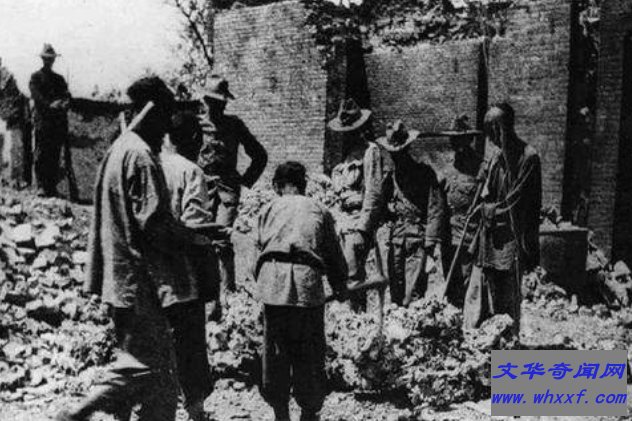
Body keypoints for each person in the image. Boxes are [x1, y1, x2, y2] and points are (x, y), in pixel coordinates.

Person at [56, 77, 211, 421]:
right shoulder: (140, 156)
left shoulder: (118, 149)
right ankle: (78, 413)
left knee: (155, 382)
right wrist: (194, 238)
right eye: (165, 118)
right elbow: (154, 225)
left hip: (120, 281)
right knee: (146, 370)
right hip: (139, 283)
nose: (166, 130)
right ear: (152, 112)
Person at [255, 161, 348, 421]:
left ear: (277, 186)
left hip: (273, 286)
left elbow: (257, 254)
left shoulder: (267, 209)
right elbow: (333, 254)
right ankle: (308, 411)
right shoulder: (319, 209)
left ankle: (280, 412)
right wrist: (340, 286)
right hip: (307, 286)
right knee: (309, 352)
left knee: (276, 353)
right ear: (303, 185)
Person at [160, 110, 226, 421]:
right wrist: (213, 236)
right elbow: (195, 224)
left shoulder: (149, 165)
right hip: (182, 273)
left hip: (149, 273)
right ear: (195, 139)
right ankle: (195, 410)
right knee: (190, 343)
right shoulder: (190, 172)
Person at [463, 102, 542, 336]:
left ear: (502, 128)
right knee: (481, 294)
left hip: (511, 239)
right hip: (489, 238)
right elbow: (486, 193)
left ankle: (506, 347)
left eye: (492, 131)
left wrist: (485, 210)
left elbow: (515, 202)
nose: (490, 139)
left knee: (507, 299)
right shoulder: (496, 157)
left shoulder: (528, 158)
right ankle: (481, 344)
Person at [197, 75, 268, 299]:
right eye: (214, 102)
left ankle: (228, 293)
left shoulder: (234, 125)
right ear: (206, 101)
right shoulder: (197, 125)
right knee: (200, 238)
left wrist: (245, 182)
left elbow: (260, 155)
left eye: (222, 102)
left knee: (221, 239)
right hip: (201, 189)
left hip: (227, 189)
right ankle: (205, 291)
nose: (219, 107)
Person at [375, 120, 446, 306]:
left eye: (399, 153)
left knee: (413, 294)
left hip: (417, 238)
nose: (395, 157)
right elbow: (380, 205)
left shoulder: (424, 173)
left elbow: (435, 208)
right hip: (396, 237)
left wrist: (430, 243)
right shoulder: (391, 177)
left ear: (407, 150)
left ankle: (413, 322)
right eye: (392, 154)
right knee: (395, 290)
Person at [329, 98, 385, 312]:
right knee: (339, 273)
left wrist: (364, 228)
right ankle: (345, 319)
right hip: (342, 221)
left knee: (354, 275)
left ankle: (357, 317)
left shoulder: (370, 151)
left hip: (356, 221)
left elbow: (373, 193)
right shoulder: (346, 156)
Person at [439, 115, 485, 307]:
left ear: (469, 140)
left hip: (469, 236)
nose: (456, 144)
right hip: (448, 236)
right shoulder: (447, 168)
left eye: (460, 139)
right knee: (450, 282)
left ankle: (468, 317)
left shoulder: (480, 169)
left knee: (467, 283)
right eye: (453, 139)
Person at [29, 43, 71, 197]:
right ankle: (41, 186)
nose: (49, 61)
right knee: (41, 154)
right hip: (43, 121)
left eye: (51, 59)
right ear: (42, 59)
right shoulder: (36, 77)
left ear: (54, 60)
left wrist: (64, 103)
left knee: (54, 154)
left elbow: (67, 95)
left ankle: (51, 187)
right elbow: (36, 96)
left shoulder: (59, 79)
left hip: (57, 123)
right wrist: (50, 105)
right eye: (46, 58)